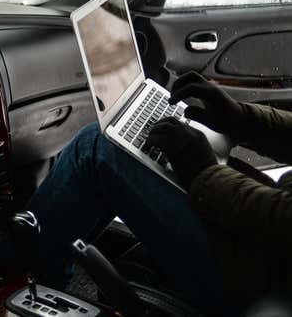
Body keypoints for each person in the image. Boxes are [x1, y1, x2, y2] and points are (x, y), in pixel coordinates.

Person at [28, 72, 292, 314]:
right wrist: (242, 118)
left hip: (264, 276)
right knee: (128, 144)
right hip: (269, 247)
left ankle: (13, 282)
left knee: (96, 146)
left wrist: (205, 173)